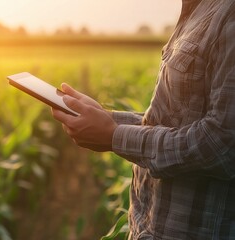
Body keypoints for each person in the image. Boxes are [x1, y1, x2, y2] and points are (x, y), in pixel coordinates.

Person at [51, 0, 235, 239]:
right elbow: (176, 122)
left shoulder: (228, 12)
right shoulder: (198, 9)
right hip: (147, 227)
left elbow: (223, 144)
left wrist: (113, 136)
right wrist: (108, 119)